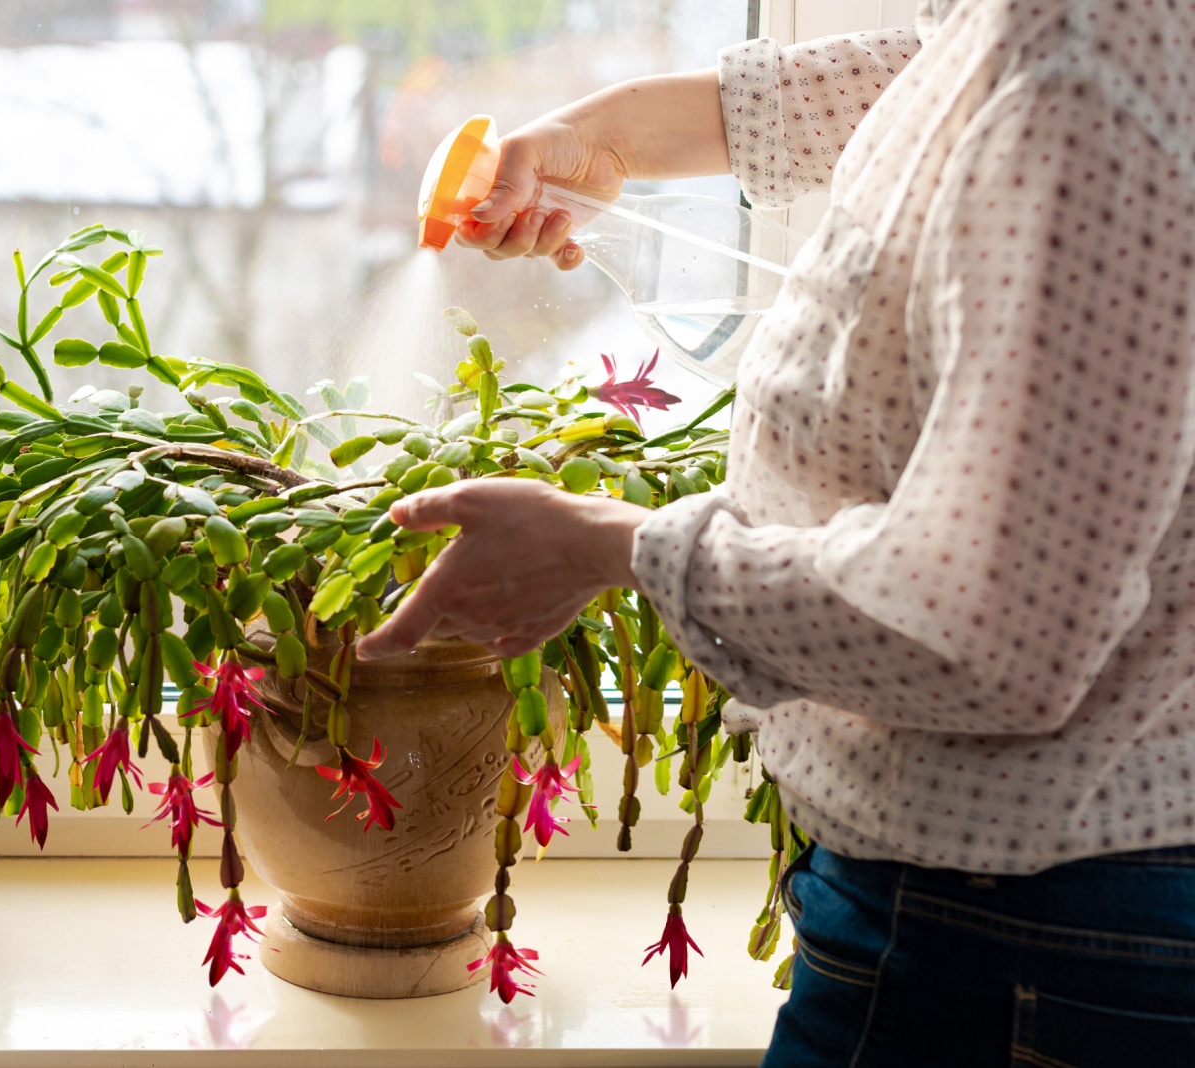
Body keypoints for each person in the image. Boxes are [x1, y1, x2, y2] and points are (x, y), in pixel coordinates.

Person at [357, 1, 1195, 1064]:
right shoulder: (1055, 43)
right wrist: (601, 138)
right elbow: (916, 85)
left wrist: (613, 545)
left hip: (1022, 938)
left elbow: (988, 634)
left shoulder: (1086, 88)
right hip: (1011, 912)